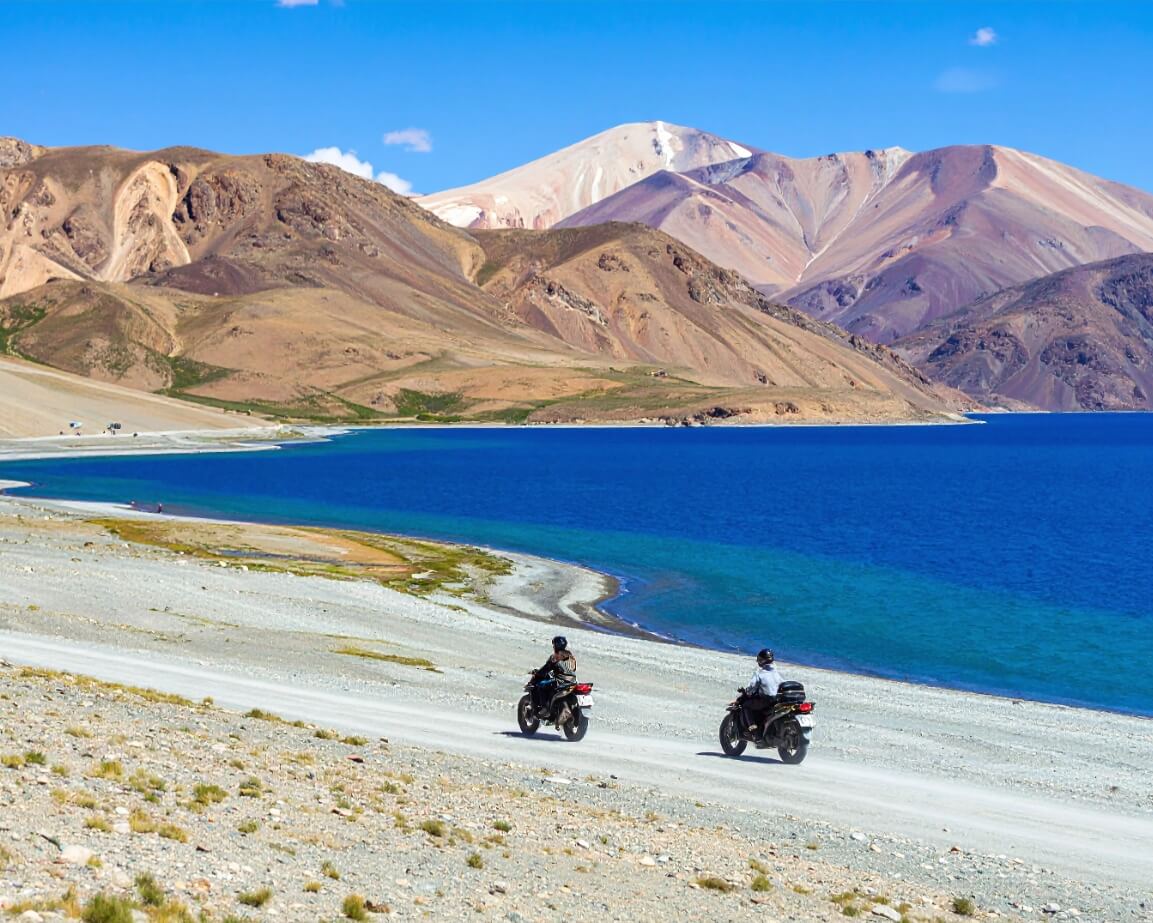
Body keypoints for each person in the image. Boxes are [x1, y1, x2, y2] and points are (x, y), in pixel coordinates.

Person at [530, 635, 577, 717]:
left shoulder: (555, 656)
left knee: (541, 685)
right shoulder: (570, 655)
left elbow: (546, 668)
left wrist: (537, 674)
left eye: (554, 645)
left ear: (555, 645)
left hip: (560, 681)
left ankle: (544, 708)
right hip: (572, 680)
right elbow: (573, 668)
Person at [741, 648, 783, 736]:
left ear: (762, 661)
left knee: (746, 705)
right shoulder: (776, 672)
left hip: (766, 701)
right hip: (777, 701)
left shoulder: (760, 673)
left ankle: (752, 726)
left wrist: (747, 692)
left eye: (759, 660)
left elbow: (752, 687)